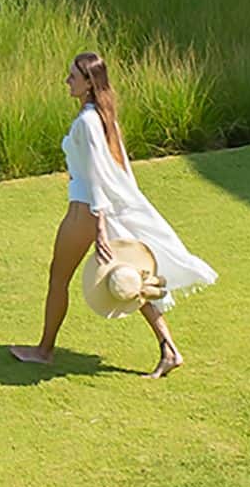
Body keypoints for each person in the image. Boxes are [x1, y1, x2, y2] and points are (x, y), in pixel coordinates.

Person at [12, 52, 217, 379]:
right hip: (95, 211)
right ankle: (169, 349)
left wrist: (100, 230)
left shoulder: (88, 122)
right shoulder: (104, 118)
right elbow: (121, 173)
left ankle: (44, 351)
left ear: (89, 83)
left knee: (58, 277)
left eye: (73, 76)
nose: (67, 80)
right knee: (128, 280)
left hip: (85, 212)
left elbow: (96, 176)